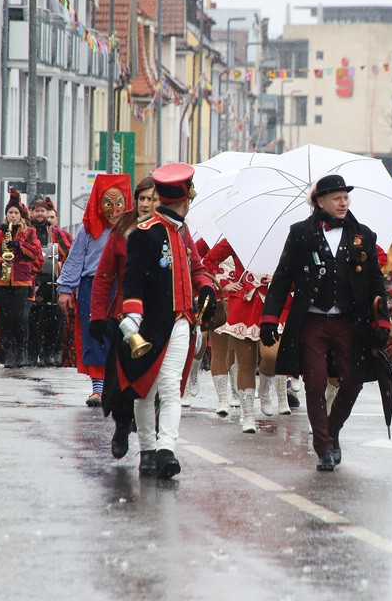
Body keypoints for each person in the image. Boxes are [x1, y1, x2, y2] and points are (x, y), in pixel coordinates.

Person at [259, 174, 390, 472]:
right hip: (312, 322)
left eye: (346, 197)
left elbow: (375, 283)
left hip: (349, 321)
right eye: (337, 198)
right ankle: (323, 448)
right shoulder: (300, 233)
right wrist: (269, 319)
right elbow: (281, 279)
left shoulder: (364, 235)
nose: (343, 203)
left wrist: (382, 321)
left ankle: (332, 431)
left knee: (354, 381)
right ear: (320, 201)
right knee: (315, 382)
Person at [118, 164, 218, 478]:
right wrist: (132, 317)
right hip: (150, 322)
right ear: (185, 199)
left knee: (171, 386)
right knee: (144, 389)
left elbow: (198, 268)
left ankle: (166, 449)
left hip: (182, 321)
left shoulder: (184, 232)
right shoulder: (145, 233)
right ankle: (147, 450)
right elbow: (132, 279)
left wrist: (207, 288)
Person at [88, 174, 156, 459]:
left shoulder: (169, 229)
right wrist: (97, 314)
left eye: (152, 199)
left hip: (158, 315)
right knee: (122, 378)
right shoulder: (122, 229)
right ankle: (121, 424)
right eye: (142, 198)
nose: (146, 204)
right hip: (124, 313)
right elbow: (103, 275)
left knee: (153, 382)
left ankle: (153, 448)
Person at [58, 174, 132, 405]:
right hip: (92, 286)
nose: (113, 209)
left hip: (123, 286)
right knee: (94, 335)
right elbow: (76, 258)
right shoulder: (89, 228)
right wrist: (65, 288)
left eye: (118, 203)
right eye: (107, 203)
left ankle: (121, 385)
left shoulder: (135, 229)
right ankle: (98, 388)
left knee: (124, 334)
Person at [204, 237, 284, 431]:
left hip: (272, 303)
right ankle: (248, 415)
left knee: (272, 356)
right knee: (245, 363)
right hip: (243, 304)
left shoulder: (285, 235)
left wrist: (285, 278)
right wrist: (224, 282)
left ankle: (265, 390)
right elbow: (207, 261)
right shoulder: (237, 235)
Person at [0, 191, 42, 368]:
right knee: (6, 319)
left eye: (16, 213)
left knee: (20, 318)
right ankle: (9, 352)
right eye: (10, 213)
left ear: (21, 215)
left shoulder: (29, 232)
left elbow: (34, 254)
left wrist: (19, 246)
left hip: (22, 281)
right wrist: (2, 261)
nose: (13, 216)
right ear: (6, 215)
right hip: (3, 281)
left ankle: (21, 351)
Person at [27, 199, 72, 367]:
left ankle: (51, 352)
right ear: (31, 213)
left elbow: (69, 255)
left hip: (53, 283)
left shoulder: (57, 234)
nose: (40, 214)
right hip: (33, 283)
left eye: (43, 211)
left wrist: (60, 266)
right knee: (32, 321)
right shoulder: (27, 232)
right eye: (37, 211)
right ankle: (32, 353)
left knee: (54, 321)